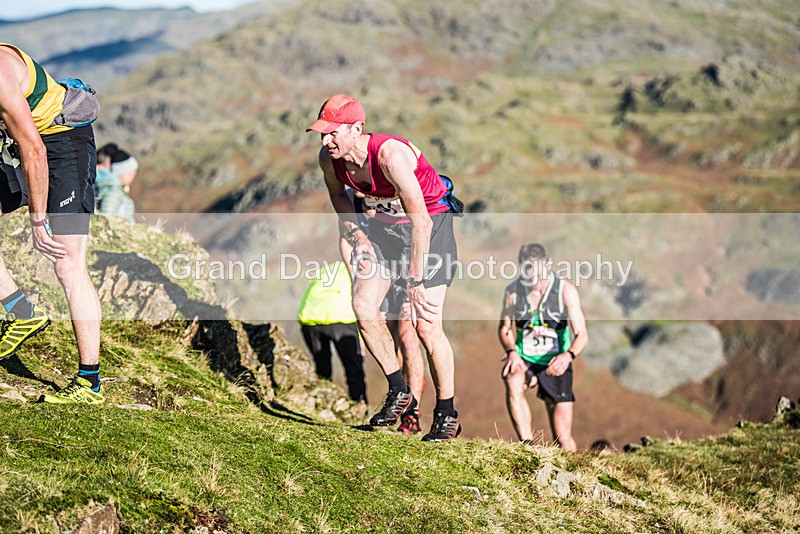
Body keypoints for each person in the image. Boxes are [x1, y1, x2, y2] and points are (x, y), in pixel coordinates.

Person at [308, 94, 461, 441]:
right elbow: (337, 197)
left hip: (430, 227)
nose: (325, 141)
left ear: (357, 128)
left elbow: (420, 220)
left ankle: (446, 413)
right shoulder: (328, 160)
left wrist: (415, 279)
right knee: (362, 305)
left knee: (425, 325)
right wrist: (358, 233)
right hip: (386, 230)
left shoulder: (390, 156)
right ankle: (398, 389)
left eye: (332, 133)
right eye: (321, 133)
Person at [0, 43, 103, 404]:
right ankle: (21, 313)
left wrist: (37, 220)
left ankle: (90, 382)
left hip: (62, 146)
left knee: (66, 263)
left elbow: (35, 152)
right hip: (25, 147)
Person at [341, 191, 425, 433]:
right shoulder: (349, 202)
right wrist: (357, 279)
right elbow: (344, 241)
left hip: (404, 272)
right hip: (374, 277)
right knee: (390, 343)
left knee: (408, 339)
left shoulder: (390, 189)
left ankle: (413, 414)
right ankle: (402, 400)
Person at [498, 243, 588, 451]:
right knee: (512, 379)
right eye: (528, 275)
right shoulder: (513, 292)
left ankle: (575, 473)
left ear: (548, 265)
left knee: (563, 439)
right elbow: (505, 328)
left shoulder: (565, 291)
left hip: (556, 362)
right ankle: (528, 446)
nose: (534, 281)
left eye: (539, 275)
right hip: (526, 359)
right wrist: (512, 352)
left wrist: (568, 356)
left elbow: (582, 335)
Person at [297, 259, 367, 403]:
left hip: (309, 319)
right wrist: (362, 338)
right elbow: (364, 303)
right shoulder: (363, 269)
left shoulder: (329, 268)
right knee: (354, 369)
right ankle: (359, 408)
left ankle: (322, 404)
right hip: (341, 319)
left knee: (322, 368)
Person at [95, 142, 136, 223]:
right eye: (133, 173)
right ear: (125, 174)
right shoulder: (112, 188)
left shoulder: (106, 184)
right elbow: (106, 217)